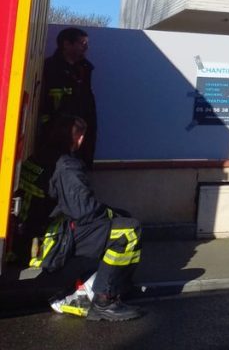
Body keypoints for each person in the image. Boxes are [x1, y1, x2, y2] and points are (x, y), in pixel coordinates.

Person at [35, 115, 143, 321]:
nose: (82, 140)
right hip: (59, 238)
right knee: (129, 230)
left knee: (122, 220)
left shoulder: (40, 157)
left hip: (41, 232)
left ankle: (114, 283)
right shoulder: (67, 166)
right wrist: (112, 213)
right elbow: (85, 211)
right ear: (78, 138)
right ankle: (104, 300)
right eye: (81, 136)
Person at [41, 27, 98, 168]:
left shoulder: (85, 69)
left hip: (81, 135)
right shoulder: (50, 68)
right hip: (57, 135)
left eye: (87, 43)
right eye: (82, 43)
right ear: (66, 44)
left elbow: (87, 103)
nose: (86, 47)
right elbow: (45, 104)